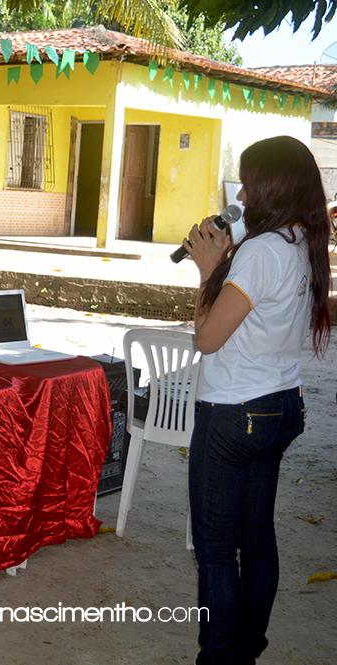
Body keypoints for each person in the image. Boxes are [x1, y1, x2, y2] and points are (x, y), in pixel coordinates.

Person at [184, 136, 331, 664]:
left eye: (249, 180)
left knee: (218, 549)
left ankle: (218, 656)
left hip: (233, 414)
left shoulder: (261, 252)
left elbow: (207, 338)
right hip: (278, 408)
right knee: (257, 537)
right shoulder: (299, 242)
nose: (242, 192)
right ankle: (246, 650)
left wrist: (209, 270)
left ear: (271, 184)